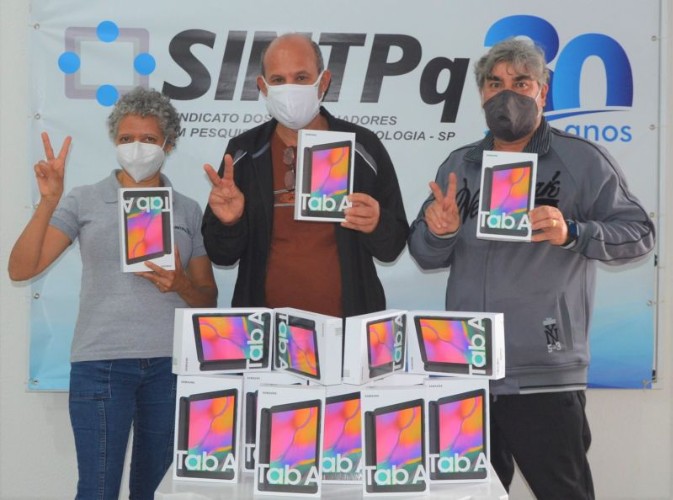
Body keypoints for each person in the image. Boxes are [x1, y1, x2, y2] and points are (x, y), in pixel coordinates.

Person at [408, 38, 654, 499]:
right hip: (466, 370)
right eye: (495, 83)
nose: (507, 94)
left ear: (543, 91)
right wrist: (439, 232)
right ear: (481, 93)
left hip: (543, 371)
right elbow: (423, 253)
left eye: (521, 83)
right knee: (467, 494)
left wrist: (573, 232)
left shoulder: (581, 160)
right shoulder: (460, 164)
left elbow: (640, 234)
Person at [8, 87, 217, 499]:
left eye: (149, 138)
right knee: (97, 490)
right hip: (101, 363)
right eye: (126, 138)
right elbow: (20, 269)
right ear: (114, 142)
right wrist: (48, 202)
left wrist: (181, 284)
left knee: (155, 491)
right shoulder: (84, 200)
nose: (137, 148)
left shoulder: (188, 209)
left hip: (170, 367)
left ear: (168, 144)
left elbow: (208, 298)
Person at [201, 33, 408, 318]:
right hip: (265, 331)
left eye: (301, 78)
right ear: (263, 87)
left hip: (347, 329)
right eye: (278, 80)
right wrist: (229, 223)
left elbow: (393, 246)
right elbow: (221, 255)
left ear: (323, 82)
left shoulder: (362, 147)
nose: (290, 89)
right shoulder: (243, 152)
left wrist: (377, 224)